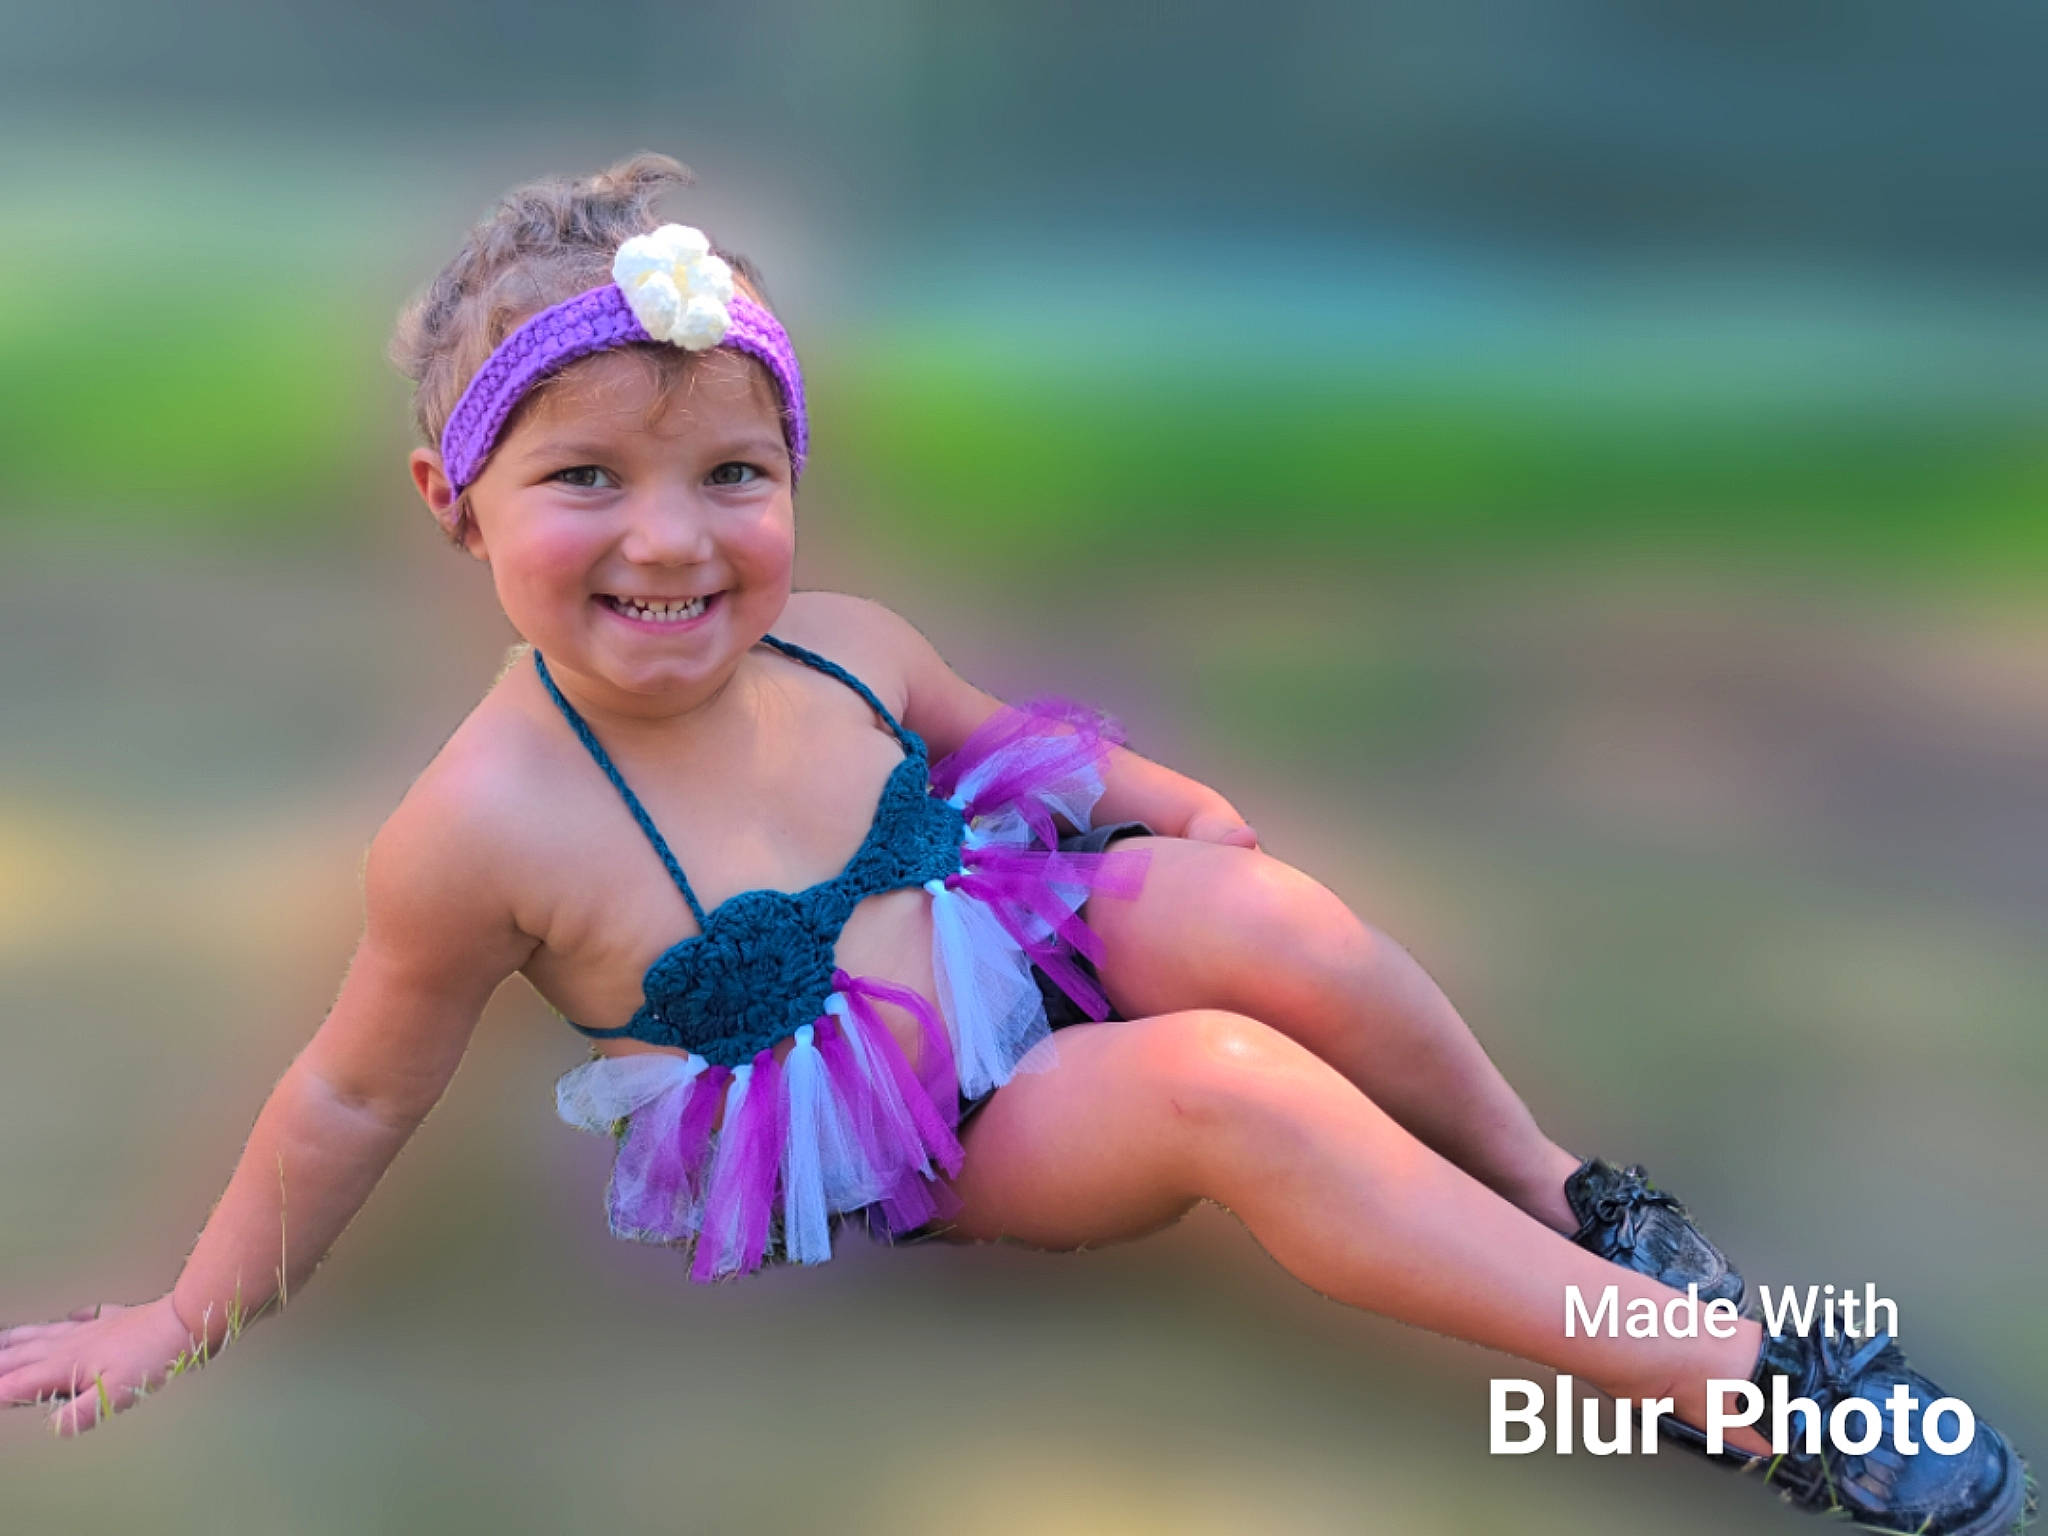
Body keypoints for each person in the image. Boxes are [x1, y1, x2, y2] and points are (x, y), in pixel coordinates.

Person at [0, 153, 2030, 1535]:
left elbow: (1007, 754)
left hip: (1010, 950)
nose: (672, 539)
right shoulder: (477, 828)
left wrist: (1170, 817)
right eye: (586, 480)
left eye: (731, 473)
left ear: (789, 473)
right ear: (451, 499)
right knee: (1231, 1090)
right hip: (924, 1136)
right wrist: (185, 1308)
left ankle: (1567, 1194)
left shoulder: (847, 641)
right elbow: (352, 1092)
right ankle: (1744, 1389)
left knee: (1249, 920)